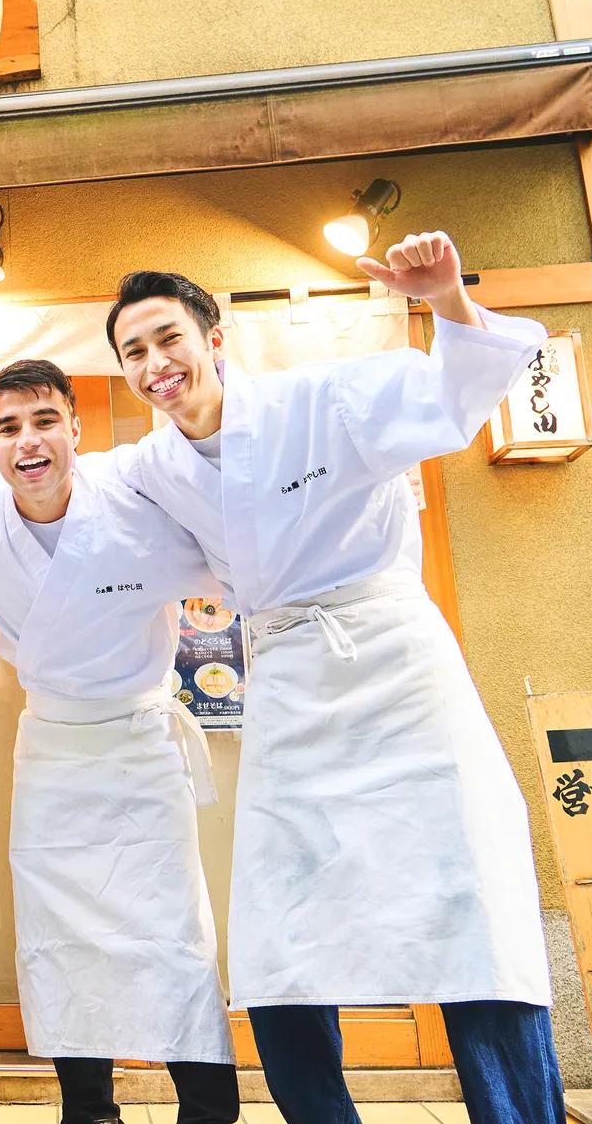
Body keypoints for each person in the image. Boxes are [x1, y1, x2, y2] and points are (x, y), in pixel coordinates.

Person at [97, 232, 564, 1123]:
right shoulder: (152, 467)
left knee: (467, 907)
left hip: (396, 668)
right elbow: (58, 502)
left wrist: (447, 299)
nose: (156, 365)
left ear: (214, 337)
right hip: (287, 679)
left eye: (168, 340)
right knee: (281, 933)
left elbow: (456, 394)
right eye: (134, 353)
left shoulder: (328, 397)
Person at [0, 360, 239, 1124]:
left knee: (171, 928)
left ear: (76, 429)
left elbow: (234, 538)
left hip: (141, 742)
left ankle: (209, 1107)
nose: (28, 442)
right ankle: (88, 1108)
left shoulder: (137, 503)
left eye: (44, 420)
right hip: (50, 748)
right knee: (60, 931)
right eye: (8, 428)